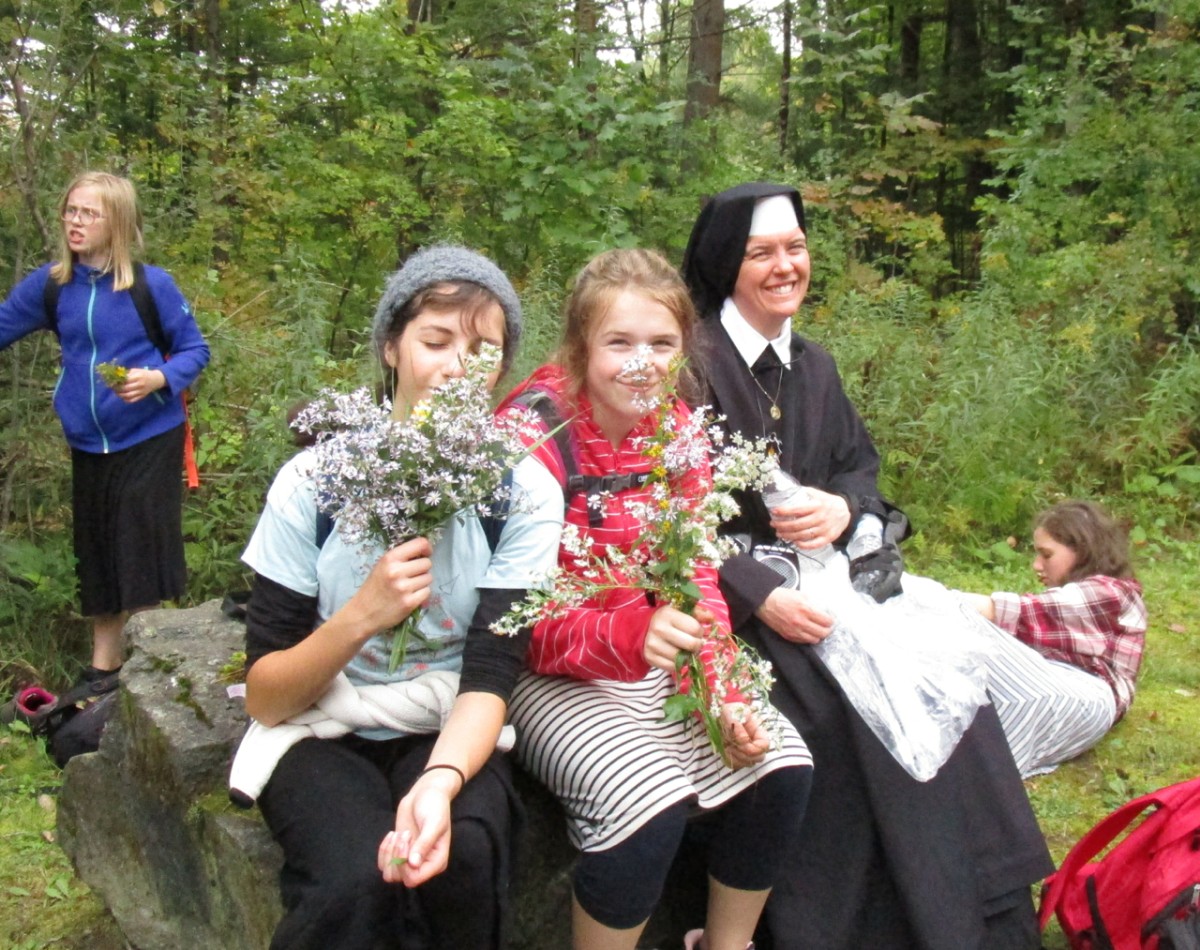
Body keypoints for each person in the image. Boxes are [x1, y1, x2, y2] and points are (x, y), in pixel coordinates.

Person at [682, 182, 1054, 950]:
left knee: (944, 677)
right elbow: (664, 515)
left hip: (832, 586)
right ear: (725, 265)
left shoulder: (814, 367)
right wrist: (758, 594)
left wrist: (843, 509)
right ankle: (864, 928)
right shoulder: (691, 365)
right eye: (762, 253)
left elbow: (859, 468)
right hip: (730, 605)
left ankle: (983, 912)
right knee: (837, 710)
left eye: (796, 248)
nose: (786, 266)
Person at [231, 246, 563, 949]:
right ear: (391, 347)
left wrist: (440, 783)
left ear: (503, 369)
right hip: (320, 723)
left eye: (482, 352)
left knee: (461, 856)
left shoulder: (523, 491)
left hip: (445, 719)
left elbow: (490, 673)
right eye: (435, 341)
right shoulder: (314, 481)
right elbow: (266, 695)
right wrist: (362, 617)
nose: (456, 368)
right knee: (354, 880)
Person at [499, 248, 813, 950]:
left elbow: (698, 572)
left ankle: (724, 944)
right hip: (541, 669)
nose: (642, 364)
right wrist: (632, 635)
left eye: (662, 344)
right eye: (619, 343)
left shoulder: (679, 431)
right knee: (648, 803)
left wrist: (720, 687)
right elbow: (508, 617)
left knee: (780, 764)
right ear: (580, 346)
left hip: (652, 648)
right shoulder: (533, 437)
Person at [0, 171, 209, 703]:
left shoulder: (150, 286)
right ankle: (103, 670)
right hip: (87, 442)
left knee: (137, 550)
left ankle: (149, 669)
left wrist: (158, 378)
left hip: (149, 434)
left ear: (115, 222)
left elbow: (195, 350)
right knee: (96, 553)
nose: (75, 222)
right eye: (70, 210)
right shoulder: (52, 285)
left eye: (88, 214)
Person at [960, 500, 1147, 776]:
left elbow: (1013, 612)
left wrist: (925, 597)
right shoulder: (1091, 597)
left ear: (1082, 550)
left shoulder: (1112, 592)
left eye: (1046, 555)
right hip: (1069, 698)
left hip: (1086, 696)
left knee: (965, 623)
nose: (1037, 565)